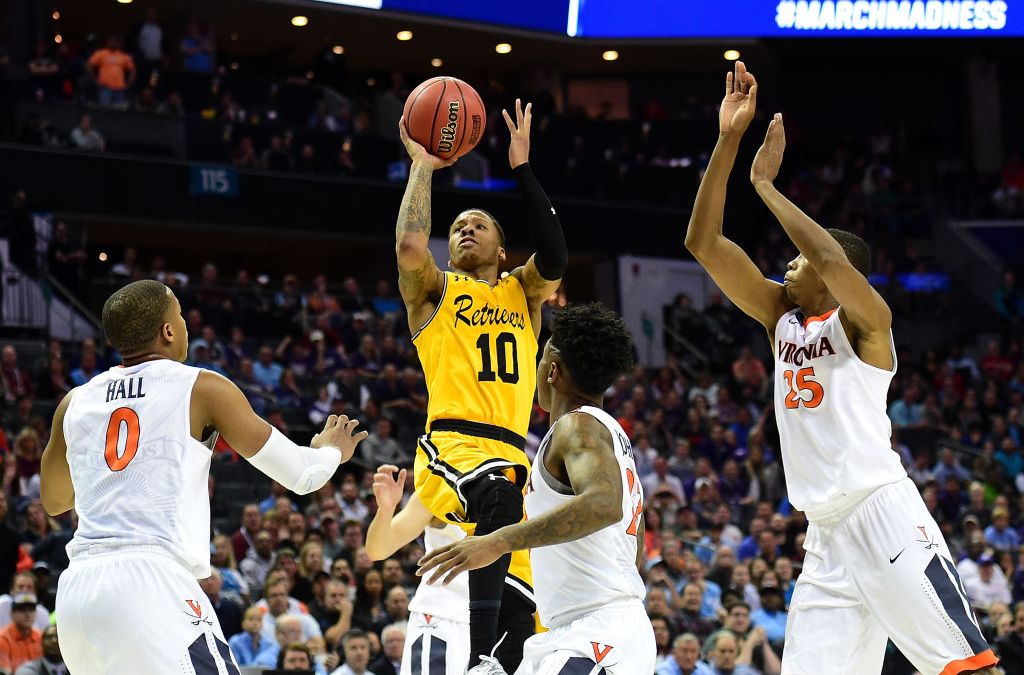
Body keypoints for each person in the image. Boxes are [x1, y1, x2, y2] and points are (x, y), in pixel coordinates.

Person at [683, 61, 998, 674]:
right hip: (825, 536)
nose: (788, 264)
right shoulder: (780, 317)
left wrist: (766, 187)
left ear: (833, 276)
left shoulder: (867, 324)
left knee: (970, 668)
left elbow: (827, 255)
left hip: (884, 516)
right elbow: (704, 243)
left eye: (797, 259)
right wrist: (727, 140)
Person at [41, 279, 368, 674]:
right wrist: (332, 451)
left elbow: (55, 501)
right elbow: (302, 476)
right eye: (180, 314)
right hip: (151, 584)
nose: (185, 323)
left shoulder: (74, 401)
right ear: (168, 330)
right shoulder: (200, 386)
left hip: (77, 596)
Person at [394, 98, 566, 671]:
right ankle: (475, 660)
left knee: (525, 612)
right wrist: (423, 166)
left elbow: (556, 254)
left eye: (479, 225)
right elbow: (410, 248)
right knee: (497, 494)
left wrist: (522, 169)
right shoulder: (435, 291)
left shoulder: (523, 291)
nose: (465, 230)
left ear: (502, 248)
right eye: (457, 228)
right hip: (452, 446)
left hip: (514, 457)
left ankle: (498, 661)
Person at [418, 303, 655, 675]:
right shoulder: (611, 437)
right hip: (587, 628)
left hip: (597, 633)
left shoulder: (577, 427)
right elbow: (633, 543)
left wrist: (498, 541)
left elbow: (604, 504)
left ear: (553, 371)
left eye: (540, 359)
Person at [366, 465, 472, 675]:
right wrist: (386, 510)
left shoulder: (520, 479)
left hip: (500, 621)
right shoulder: (442, 482)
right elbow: (378, 549)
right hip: (445, 618)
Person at [86, 36, 134, 107]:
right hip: (105, 88)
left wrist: (128, 83)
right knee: (105, 110)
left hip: (120, 88)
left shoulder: (123, 55)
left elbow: (132, 70)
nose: (113, 43)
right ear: (107, 42)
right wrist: (95, 80)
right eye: (111, 41)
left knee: (119, 111)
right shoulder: (101, 53)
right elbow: (89, 65)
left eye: (115, 41)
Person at [0, 593, 41, 673]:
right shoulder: (3, 639)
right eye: (22, 609)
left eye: (31, 609)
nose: (28, 614)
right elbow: (4, 672)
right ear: (12, 614)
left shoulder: (41, 637)